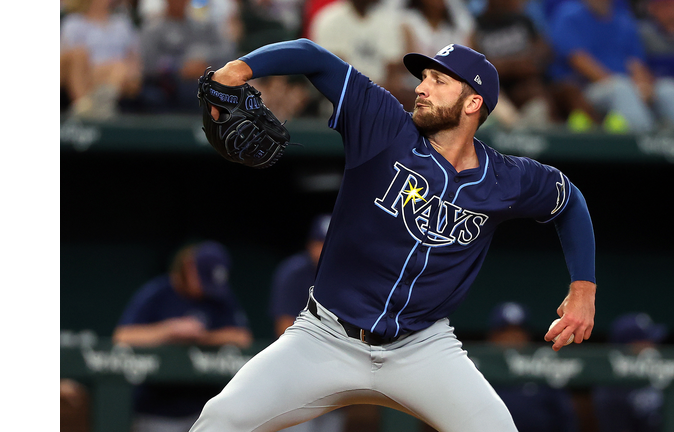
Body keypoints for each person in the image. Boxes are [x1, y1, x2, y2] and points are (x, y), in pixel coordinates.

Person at [191, 38, 596, 432]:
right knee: (220, 420)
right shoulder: (383, 126)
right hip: (327, 337)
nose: (421, 87)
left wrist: (583, 288)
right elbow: (313, 56)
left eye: (439, 81)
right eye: (424, 78)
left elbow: (569, 202)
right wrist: (238, 69)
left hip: (422, 348)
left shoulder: (507, 178)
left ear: (473, 103)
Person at [113, 240, 252, 432]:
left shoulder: (219, 297)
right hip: (156, 411)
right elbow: (123, 336)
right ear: (189, 266)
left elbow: (242, 337)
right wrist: (169, 330)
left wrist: (202, 337)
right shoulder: (158, 293)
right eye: (203, 278)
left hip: (204, 410)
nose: (206, 288)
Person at [547, 0, 674, 132]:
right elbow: (578, 59)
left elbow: (635, 62)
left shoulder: (622, 18)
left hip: (627, 87)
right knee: (621, 88)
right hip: (587, 89)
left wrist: (643, 86)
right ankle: (645, 147)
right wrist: (621, 84)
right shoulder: (569, 15)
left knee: (669, 88)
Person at [268, 214, 348, 432]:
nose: (323, 249)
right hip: (299, 373)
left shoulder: (348, 275)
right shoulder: (292, 272)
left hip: (335, 376)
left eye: (329, 243)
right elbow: (283, 329)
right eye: (319, 243)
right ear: (309, 245)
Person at [472, 0, 601, 130]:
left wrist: (532, 61)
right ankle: (555, 140)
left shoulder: (522, 20)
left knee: (570, 90)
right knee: (534, 92)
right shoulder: (476, 27)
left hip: (538, 79)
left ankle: (598, 137)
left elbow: (544, 49)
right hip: (507, 90)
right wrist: (515, 66)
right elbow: (479, 66)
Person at [487, 302, 579, 432]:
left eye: (518, 332)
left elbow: (565, 419)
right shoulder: (479, 371)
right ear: (493, 337)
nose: (512, 338)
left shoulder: (543, 369)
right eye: (505, 332)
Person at [138, 0, 233, 112]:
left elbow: (226, 51)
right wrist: (180, 67)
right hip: (165, 85)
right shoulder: (153, 29)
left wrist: (204, 63)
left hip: (200, 81)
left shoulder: (202, 26)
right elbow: (149, 63)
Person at [60, 0, 143, 119]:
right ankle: (85, 106)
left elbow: (134, 58)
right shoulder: (73, 23)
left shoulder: (123, 24)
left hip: (119, 78)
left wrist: (133, 74)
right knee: (80, 54)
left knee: (120, 69)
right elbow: (68, 61)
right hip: (84, 74)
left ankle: (95, 105)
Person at [592, 313, 668, 432]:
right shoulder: (611, 388)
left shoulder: (661, 372)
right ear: (629, 346)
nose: (654, 346)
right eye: (647, 341)